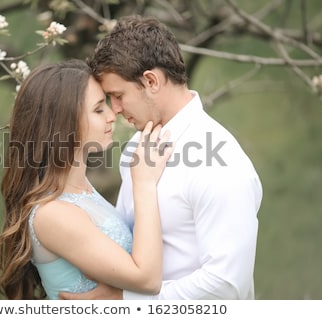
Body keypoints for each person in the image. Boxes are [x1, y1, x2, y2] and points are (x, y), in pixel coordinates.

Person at [59, 15, 263, 300]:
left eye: (117, 95)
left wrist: (122, 302)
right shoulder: (135, 147)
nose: (114, 109)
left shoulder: (221, 162)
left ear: (151, 81)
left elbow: (227, 285)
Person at [0, 59, 173, 299]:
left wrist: (118, 296)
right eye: (98, 109)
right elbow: (146, 280)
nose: (112, 115)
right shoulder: (53, 214)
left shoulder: (80, 189)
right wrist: (144, 184)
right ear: (63, 124)